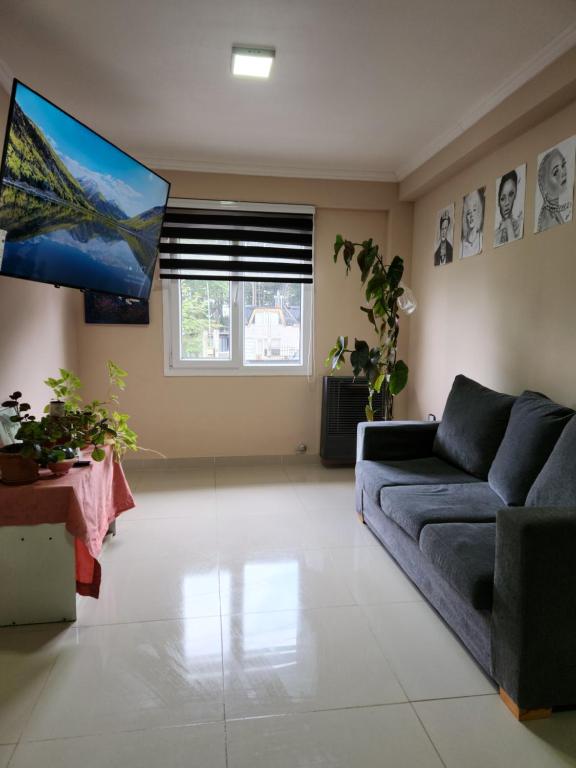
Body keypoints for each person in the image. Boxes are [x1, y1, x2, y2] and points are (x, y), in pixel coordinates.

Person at [537, 147, 568, 232]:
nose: (563, 173)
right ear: (544, 186)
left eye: (563, 165)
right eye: (555, 172)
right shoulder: (549, 218)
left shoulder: (555, 211)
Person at [495, 170, 522, 245]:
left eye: (511, 195)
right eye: (503, 199)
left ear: (516, 195)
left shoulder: (519, 226)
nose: (507, 203)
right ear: (498, 202)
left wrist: (508, 223)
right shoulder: (495, 234)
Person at [461, 188, 485, 258]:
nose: (471, 216)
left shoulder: (481, 238)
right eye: (468, 213)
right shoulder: (462, 244)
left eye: (474, 210)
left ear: (478, 212)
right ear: (465, 217)